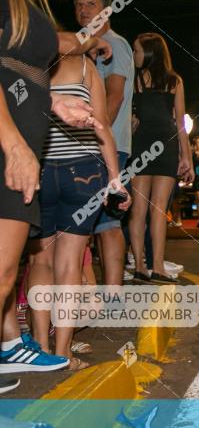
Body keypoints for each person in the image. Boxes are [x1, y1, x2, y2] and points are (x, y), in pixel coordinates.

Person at [0, 0, 116, 428]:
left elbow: (18, 73)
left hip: (27, 145)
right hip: (12, 153)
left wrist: (54, 110)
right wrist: (15, 144)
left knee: (5, 279)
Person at [27, 52, 131, 369]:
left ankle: (41, 348)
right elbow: (103, 128)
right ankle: (63, 352)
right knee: (70, 265)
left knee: (39, 261)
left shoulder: (27, 63)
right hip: (83, 171)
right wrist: (116, 179)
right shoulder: (85, 66)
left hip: (38, 169)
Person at [73, 0, 134, 287]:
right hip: (92, 145)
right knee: (90, 224)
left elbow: (115, 96)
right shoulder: (83, 45)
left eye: (91, 4)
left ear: (106, 10)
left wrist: (98, 139)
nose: (84, 10)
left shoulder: (113, 43)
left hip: (107, 147)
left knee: (108, 222)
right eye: (79, 5)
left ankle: (113, 294)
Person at [128, 33, 193, 283]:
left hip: (142, 143)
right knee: (156, 210)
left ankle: (141, 267)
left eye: (137, 51)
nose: (134, 55)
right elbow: (180, 125)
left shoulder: (135, 81)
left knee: (140, 210)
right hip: (164, 144)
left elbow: (180, 122)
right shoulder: (174, 81)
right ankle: (155, 266)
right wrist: (185, 157)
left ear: (150, 52)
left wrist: (185, 157)